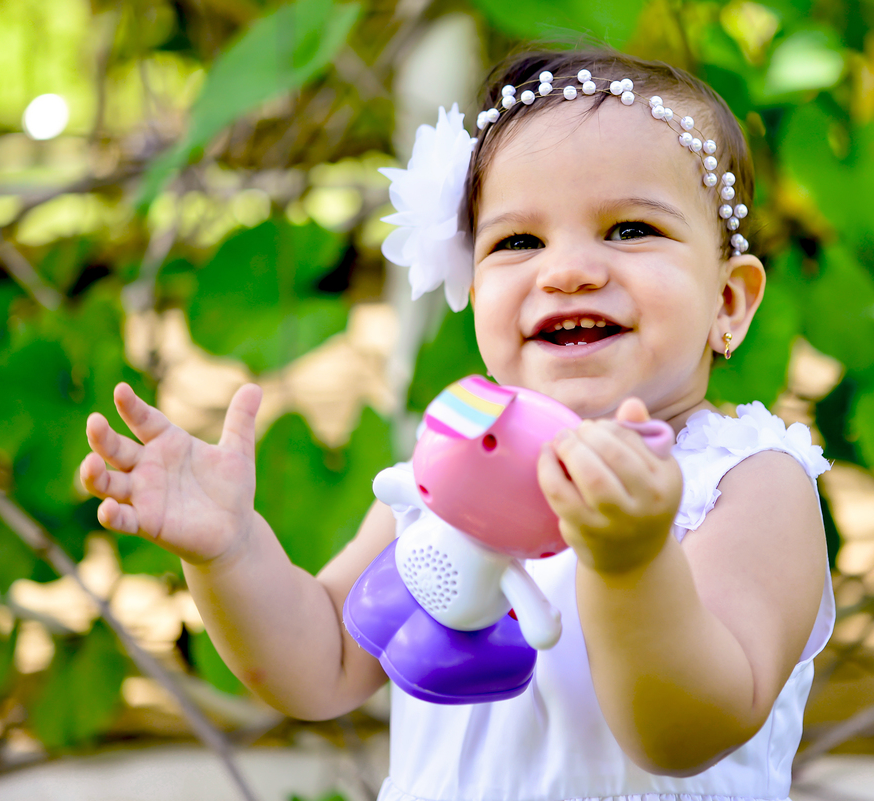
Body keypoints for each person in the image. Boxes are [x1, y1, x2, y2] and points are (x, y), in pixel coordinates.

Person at [80, 49, 835, 801]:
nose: (568, 269)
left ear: (728, 303)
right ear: (471, 286)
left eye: (630, 229)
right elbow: (323, 664)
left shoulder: (751, 483)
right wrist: (230, 551)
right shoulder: (448, 475)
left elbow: (684, 733)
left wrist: (632, 562)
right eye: (518, 241)